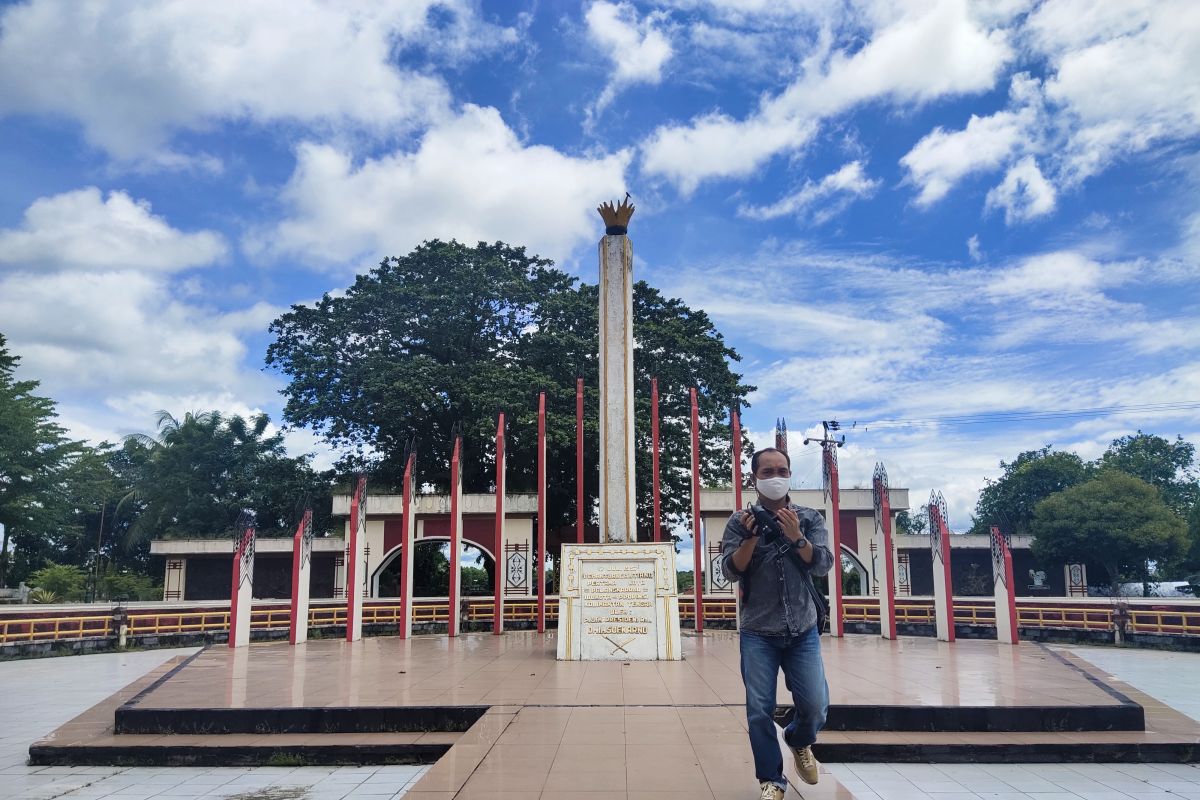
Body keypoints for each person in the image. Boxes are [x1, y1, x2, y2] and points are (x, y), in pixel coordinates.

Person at [720, 447, 834, 800]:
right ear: (754, 478)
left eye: (780, 470)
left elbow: (823, 564)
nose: (774, 477)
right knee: (759, 709)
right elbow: (729, 570)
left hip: (802, 628)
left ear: (790, 474)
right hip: (758, 631)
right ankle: (772, 779)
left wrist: (797, 536)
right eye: (766, 472)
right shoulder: (741, 522)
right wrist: (751, 538)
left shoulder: (810, 517)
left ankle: (799, 739)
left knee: (815, 705)